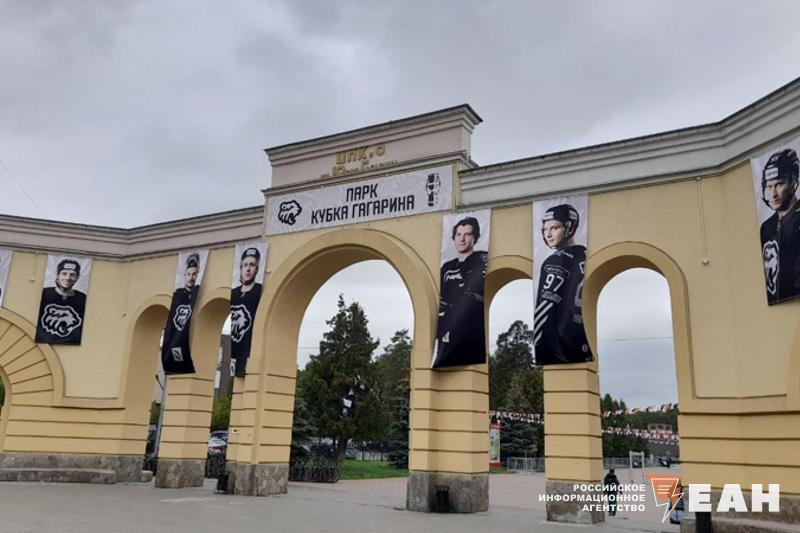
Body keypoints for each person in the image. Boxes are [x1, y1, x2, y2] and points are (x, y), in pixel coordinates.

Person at [533, 204, 593, 365]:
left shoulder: (555, 261)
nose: (548, 234)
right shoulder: (585, 254)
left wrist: (539, 344)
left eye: (554, 228)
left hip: (560, 344)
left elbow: (544, 308)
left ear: (570, 227)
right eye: (545, 229)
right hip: (582, 336)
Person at [432, 216, 488, 368]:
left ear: (475, 237)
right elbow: (438, 296)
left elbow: (471, 293)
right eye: (458, 234)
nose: (462, 239)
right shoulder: (447, 267)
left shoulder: (481, 259)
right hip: (447, 332)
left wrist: (456, 298)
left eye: (467, 234)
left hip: (470, 329)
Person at [759, 148, 800, 304]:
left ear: (794, 180)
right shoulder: (767, 227)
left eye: (779, 184)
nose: (773, 193)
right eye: (769, 187)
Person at [161, 253, 201, 374]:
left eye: (194, 274)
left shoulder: (198, 291)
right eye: (189, 274)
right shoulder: (177, 294)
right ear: (184, 275)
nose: (191, 278)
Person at [35, 258, 88, 345]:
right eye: (64, 273)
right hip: (42, 344)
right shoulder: (44, 294)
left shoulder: (83, 299)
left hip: (71, 345)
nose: (68, 278)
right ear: (57, 274)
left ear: (78, 277)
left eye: (72, 275)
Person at [230, 247, 263, 376]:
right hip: (236, 349)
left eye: (252, 265)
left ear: (257, 269)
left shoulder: (259, 290)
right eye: (245, 265)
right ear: (241, 268)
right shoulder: (234, 293)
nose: (248, 269)